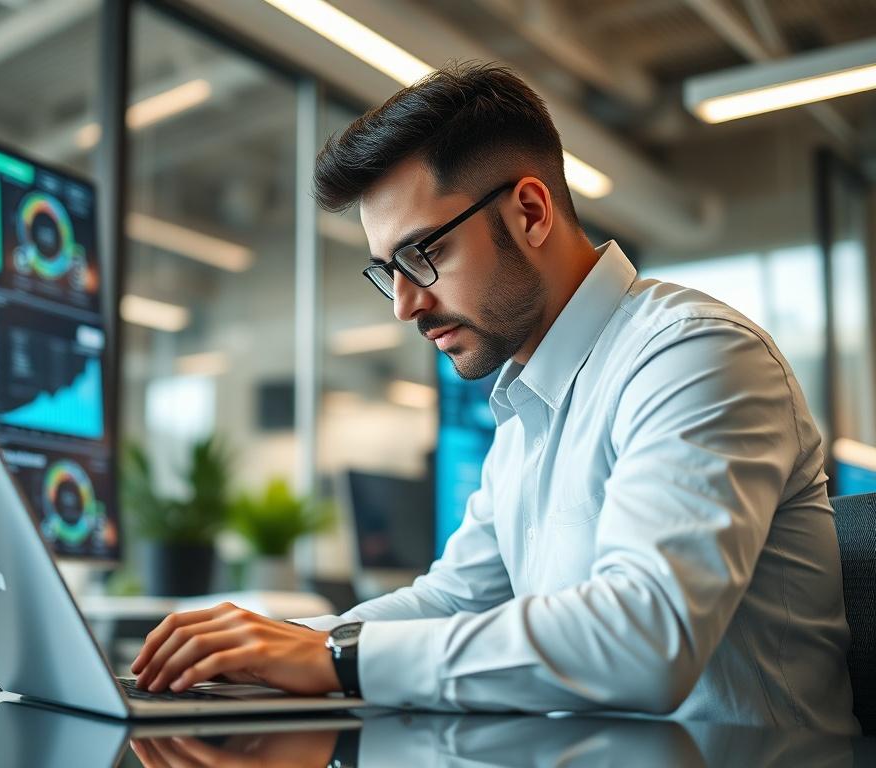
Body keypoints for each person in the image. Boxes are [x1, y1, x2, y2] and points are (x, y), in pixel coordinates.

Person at [130, 63, 857, 733]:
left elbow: (647, 638)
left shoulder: (694, 355)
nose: (405, 306)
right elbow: (454, 598)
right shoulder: (525, 409)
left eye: (424, 254)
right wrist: (278, 646)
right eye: (387, 271)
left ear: (531, 213)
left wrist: (337, 659)